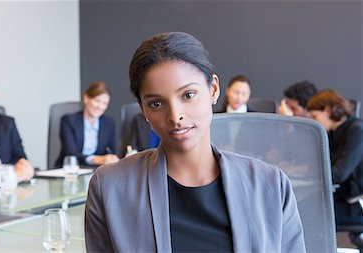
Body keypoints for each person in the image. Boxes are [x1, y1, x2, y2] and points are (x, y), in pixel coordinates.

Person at [85, 32, 305, 252]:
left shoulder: (270, 185)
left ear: (213, 90)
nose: (175, 116)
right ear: (143, 110)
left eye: (188, 95)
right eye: (156, 104)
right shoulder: (110, 187)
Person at [307, 89, 363, 248]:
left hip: (355, 204)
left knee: (306, 215)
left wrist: (309, 176)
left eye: (315, 116)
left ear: (327, 110)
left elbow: (338, 174)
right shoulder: (334, 132)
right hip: (341, 196)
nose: (313, 121)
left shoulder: (356, 130)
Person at [54, 82, 119, 167]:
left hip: (97, 171)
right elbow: (70, 153)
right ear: (86, 98)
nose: (100, 106)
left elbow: (111, 151)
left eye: (104, 103)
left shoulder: (109, 123)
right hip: (71, 169)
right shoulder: (68, 121)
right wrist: (96, 159)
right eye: (97, 101)